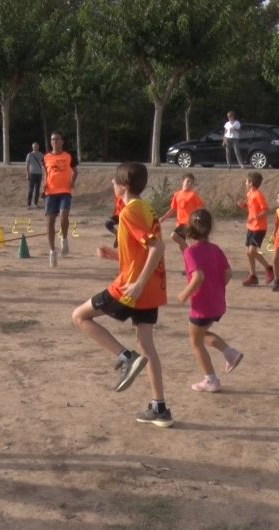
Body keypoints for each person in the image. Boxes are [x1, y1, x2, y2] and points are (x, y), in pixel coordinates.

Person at [71, 162, 173, 428]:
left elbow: (157, 247)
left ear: (124, 185)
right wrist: (116, 255)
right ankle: (159, 408)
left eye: (114, 182)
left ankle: (125, 357)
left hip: (132, 289)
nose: (112, 185)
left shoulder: (130, 211)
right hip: (151, 288)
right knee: (147, 344)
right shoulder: (145, 207)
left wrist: (137, 284)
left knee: (80, 316)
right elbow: (143, 250)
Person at [178, 209, 244, 393]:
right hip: (218, 303)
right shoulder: (215, 249)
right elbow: (229, 273)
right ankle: (230, 353)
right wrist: (217, 287)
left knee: (195, 341)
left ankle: (211, 380)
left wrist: (184, 294)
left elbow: (198, 276)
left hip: (202, 306)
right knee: (201, 334)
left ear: (190, 228)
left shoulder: (191, 251)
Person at [43, 131, 78, 267]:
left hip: (65, 191)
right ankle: (52, 251)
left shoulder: (69, 156)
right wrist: (43, 185)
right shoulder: (46, 157)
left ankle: (64, 238)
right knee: (50, 221)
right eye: (52, 139)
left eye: (57, 139)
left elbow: (75, 170)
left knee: (64, 216)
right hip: (50, 193)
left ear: (62, 141)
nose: (55, 142)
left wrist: (72, 182)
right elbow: (45, 173)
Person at [239, 172, 274, 286]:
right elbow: (252, 208)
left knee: (251, 251)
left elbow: (266, 210)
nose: (245, 183)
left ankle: (268, 268)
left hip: (259, 227)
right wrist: (244, 206)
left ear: (251, 183)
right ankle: (253, 276)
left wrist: (255, 217)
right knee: (248, 253)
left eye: (246, 181)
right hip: (251, 227)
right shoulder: (250, 193)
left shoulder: (258, 195)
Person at [160, 173, 205, 254]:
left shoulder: (193, 195)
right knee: (181, 246)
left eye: (192, 182)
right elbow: (173, 209)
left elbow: (201, 208)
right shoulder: (177, 194)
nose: (190, 184)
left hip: (188, 222)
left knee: (174, 235)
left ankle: (191, 253)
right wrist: (164, 217)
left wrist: (199, 219)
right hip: (179, 223)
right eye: (188, 181)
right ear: (182, 182)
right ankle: (190, 260)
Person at [25, 142, 45, 210]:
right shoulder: (29, 155)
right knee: (31, 189)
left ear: (38, 147)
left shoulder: (40, 154)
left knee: (37, 190)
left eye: (36, 146)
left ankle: (36, 203)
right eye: (34, 147)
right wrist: (27, 174)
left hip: (39, 174)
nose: (35, 148)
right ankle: (29, 204)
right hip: (32, 174)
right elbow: (27, 165)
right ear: (32, 147)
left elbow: (44, 162)